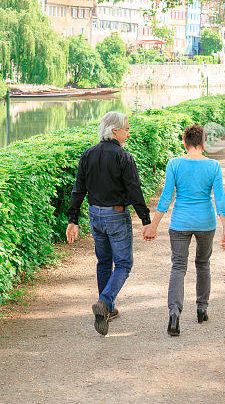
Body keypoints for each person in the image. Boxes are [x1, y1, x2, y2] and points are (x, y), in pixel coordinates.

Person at [66, 111, 152, 336]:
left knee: (104, 261)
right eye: (126, 129)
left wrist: (73, 219)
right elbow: (134, 190)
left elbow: (78, 189)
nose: (128, 133)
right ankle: (104, 302)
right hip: (116, 215)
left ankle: (106, 310)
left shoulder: (88, 155)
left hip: (95, 214)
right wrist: (146, 220)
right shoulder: (124, 157)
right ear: (115, 131)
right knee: (123, 264)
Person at [142, 124, 225, 337]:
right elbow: (219, 200)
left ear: (185, 143)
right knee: (203, 264)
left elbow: (165, 198)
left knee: (178, 267)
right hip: (205, 223)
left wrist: (154, 225)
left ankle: (174, 314)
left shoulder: (174, 164)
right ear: (203, 144)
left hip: (180, 223)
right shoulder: (214, 166)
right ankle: (201, 309)